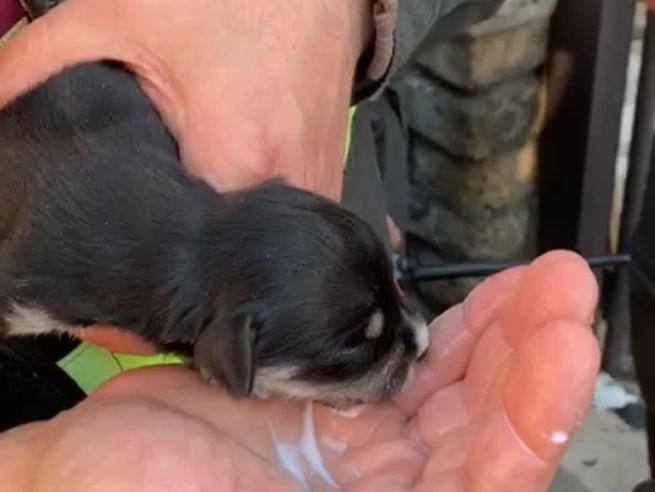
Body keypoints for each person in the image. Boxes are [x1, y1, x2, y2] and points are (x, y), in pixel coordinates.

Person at [0, 1, 600, 490]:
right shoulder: (36, 268)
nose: (418, 338)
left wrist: (329, 13)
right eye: (355, 346)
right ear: (228, 358)